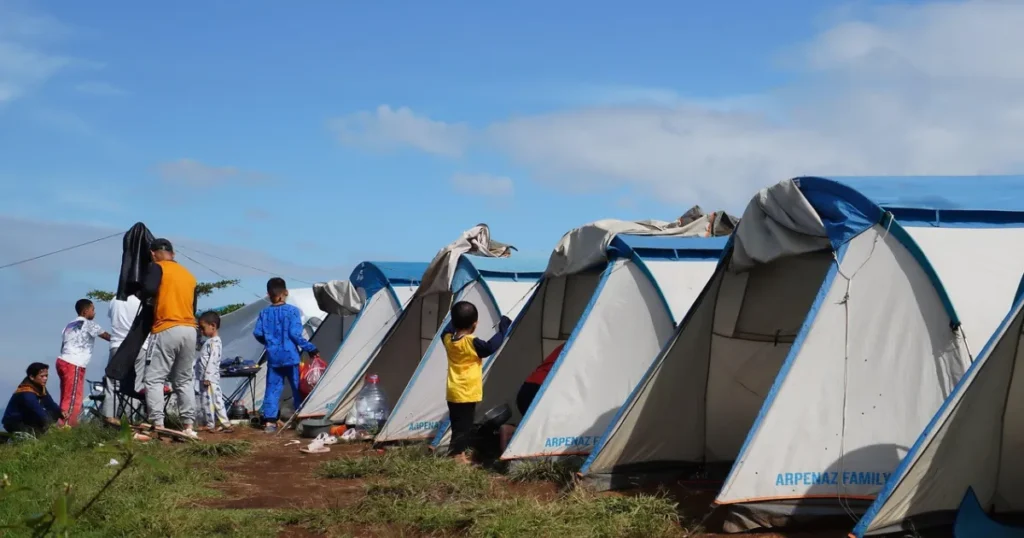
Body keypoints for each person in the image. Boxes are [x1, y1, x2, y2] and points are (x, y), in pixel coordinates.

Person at [141, 238, 199, 438]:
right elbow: (194, 306)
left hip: (167, 327)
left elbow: (148, 290)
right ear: (173, 254)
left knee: (154, 379)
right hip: (190, 329)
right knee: (184, 379)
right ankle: (189, 426)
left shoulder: (157, 268)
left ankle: (158, 423)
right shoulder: (189, 275)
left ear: (153, 254)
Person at [441, 301, 511, 464]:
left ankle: (455, 453)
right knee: (464, 426)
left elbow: (446, 330)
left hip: (453, 391)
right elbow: (490, 347)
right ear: (475, 324)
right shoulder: (471, 342)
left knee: (457, 424)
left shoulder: (448, 340)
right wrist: (503, 328)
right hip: (466, 392)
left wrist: (456, 320)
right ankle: (458, 456)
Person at [253, 277, 319, 433]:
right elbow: (295, 334)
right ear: (286, 292)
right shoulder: (292, 311)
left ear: (268, 295)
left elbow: (257, 333)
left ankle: (270, 422)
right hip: (291, 355)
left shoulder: (264, 313)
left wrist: (269, 342)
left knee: (272, 388)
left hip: (274, 357)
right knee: (297, 386)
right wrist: (311, 348)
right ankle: (301, 417)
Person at [499, 342, 565, 452]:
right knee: (547, 427)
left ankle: (511, 433)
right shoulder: (581, 347)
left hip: (529, 386)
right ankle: (512, 436)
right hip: (542, 389)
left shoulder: (567, 344)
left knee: (537, 426)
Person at [57, 299, 111, 426]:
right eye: (93, 309)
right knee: (73, 398)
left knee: (66, 396)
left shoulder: (69, 325)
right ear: (85, 311)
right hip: (74, 363)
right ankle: (67, 426)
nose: (95, 313)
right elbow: (107, 337)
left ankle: (65, 422)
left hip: (63, 361)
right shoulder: (89, 324)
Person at [105, 287, 151, 417]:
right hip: (139, 346)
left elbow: (112, 317)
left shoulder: (114, 300)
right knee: (135, 385)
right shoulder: (140, 301)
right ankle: (129, 419)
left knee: (112, 385)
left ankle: (109, 419)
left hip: (116, 345)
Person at [194, 311, 233, 433]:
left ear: (213, 326)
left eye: (203, 328)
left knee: (212, 401)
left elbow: (213, 360)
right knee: (207, 401)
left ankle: (216, 424)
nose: (201, 331)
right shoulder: (209, 342)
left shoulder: (215, 342)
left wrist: (208, 377)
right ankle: (214, 423)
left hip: (209, 379)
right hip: (204, 378)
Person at [3, 363, 64, 436]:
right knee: (34, 436)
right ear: (32, 377)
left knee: (54, 413)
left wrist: (61, 413)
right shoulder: (26, 392)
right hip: (14, 422)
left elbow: (50, 404)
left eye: (46, 376)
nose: (45, 378)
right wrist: (53, 426)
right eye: (42, 376)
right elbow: (37, 410)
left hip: (28, 418)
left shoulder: (40, 387)